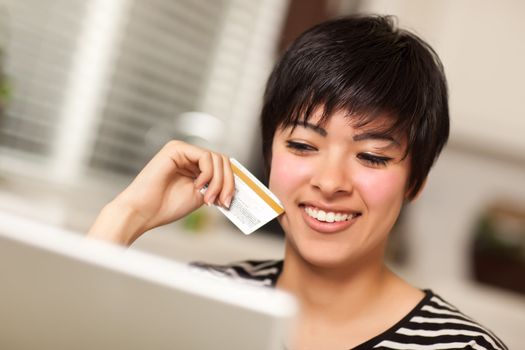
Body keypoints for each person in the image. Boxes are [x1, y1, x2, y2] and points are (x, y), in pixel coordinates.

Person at [88, 15, 507, 350]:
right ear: (270, 157)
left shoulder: (463, 347)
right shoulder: (203, 298)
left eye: (372, 156)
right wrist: (125, 216)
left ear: (415, 181)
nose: (330, 182)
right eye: (304, 146)